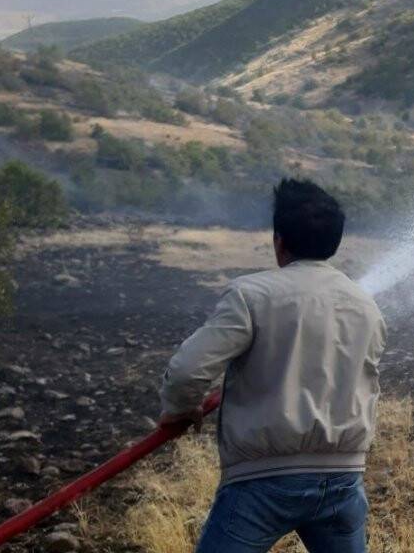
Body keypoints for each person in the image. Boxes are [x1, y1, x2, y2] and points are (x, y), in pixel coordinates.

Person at [158, 178, 385, 553]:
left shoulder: (251, 295)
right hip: (343, 479)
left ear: (279, 241)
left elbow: (188, 371)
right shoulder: (366, 305)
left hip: (262, 481)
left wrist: (179, 409)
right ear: (335, 241)